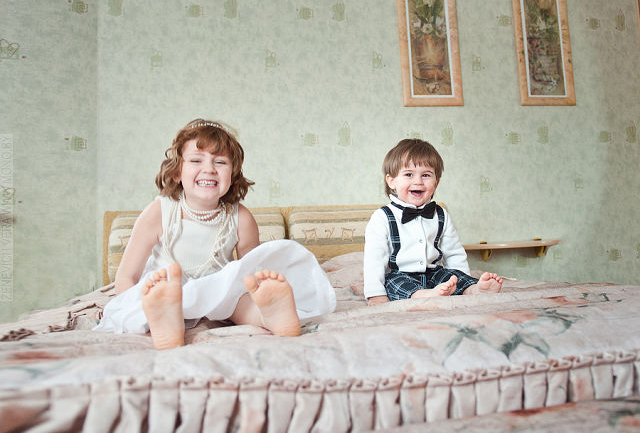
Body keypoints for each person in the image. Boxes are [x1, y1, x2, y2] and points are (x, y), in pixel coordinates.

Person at [94, 119, 336, 349]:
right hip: (167, 290)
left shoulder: (240, 218)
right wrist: (128, 305)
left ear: (233, 175)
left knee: (242, 300)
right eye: (196, 160)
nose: (209, 169)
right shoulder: (160, 211)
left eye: (220, 162)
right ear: (177, 172)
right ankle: (166, 321)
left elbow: (251, 271)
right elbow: (127, 275)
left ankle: (270, 315)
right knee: (150, 297)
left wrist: (257, 289)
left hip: (216, 293)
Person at [364, 139, 503, 306]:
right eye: (409, 174)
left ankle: (475, 290)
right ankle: (423, 295)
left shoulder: (441, 214)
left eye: (426, 175)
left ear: (436, 183)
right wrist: (375, 294)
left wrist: (460, 281)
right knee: (393, 284)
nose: (418, 181)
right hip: (401, 274)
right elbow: (374, 259)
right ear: (391, 181)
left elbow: (454, 253)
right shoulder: (382, 217)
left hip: (434, 274)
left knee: (450, 276)